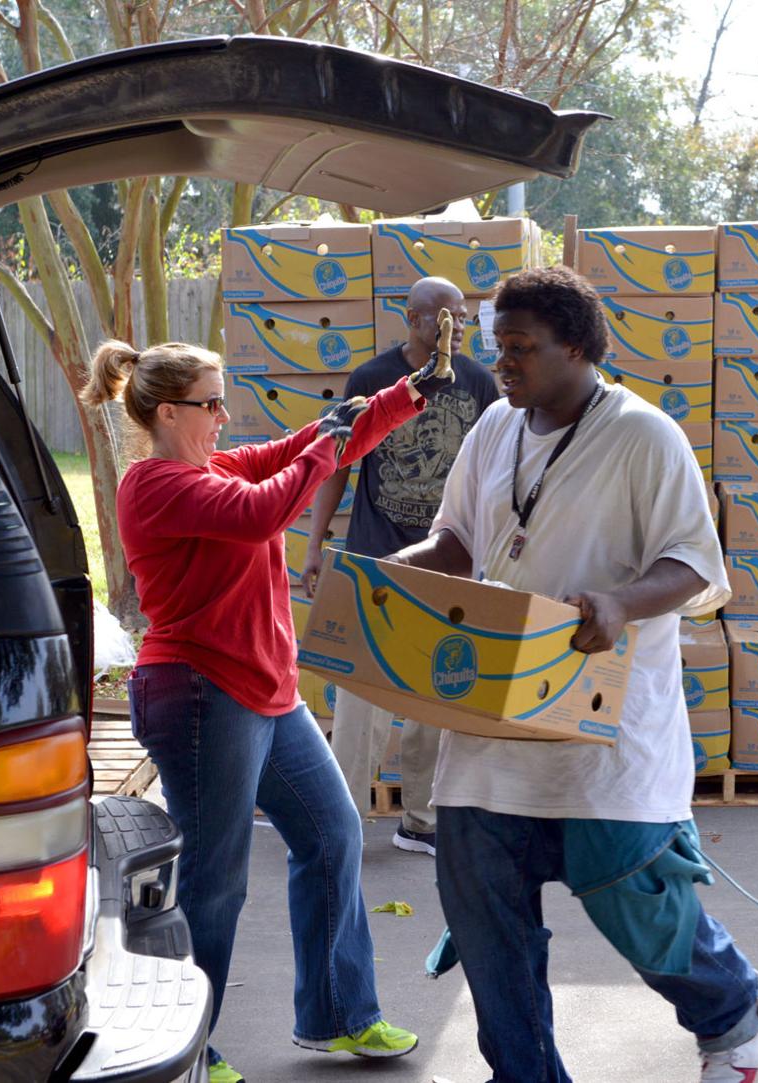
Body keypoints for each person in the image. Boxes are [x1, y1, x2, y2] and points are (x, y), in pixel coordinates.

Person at [389, 266, 758, 1083]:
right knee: (486, 923)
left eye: (522, 348)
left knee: (635, 899)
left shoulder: (644, 435)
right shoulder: (494, 427)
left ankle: (730, 1009)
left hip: (606, 726)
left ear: (578, 347)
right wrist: (392, 577)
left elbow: (694, 564)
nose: (507, 363)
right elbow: (457, 538)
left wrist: (622, 603)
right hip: (493, 724)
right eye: (501, 347)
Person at [81, 338, 449, 1083]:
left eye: (223, 400)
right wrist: (324, 449)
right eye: (211, 403)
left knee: (333, 833)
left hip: (263, 691)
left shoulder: (212, 464)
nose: (224, 415)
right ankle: (190, 1045)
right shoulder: (152, 486)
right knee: (216, 879)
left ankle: (341, 1014)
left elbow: (311, 442)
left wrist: (405, 394)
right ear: (165, 411)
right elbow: (262, 512)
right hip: (198, 694)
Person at [301, 276, 498, 857]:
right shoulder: (370, 378)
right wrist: (315, 545)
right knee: (363, 694)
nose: (457, 326)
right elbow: (338, 460)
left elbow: (494, 469)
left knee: (436, 688)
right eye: (446, 316)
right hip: (374, 556)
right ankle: (343, 817)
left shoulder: (479, 382)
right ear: (413, 319)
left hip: (450, 561)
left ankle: (422, 820)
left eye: (463, 316)